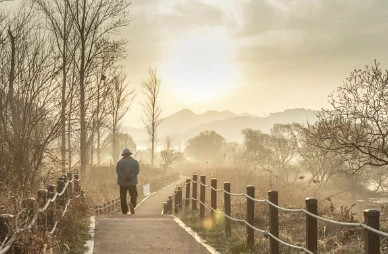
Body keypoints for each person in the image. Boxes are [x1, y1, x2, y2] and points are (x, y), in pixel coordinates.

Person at [116, 148, 139, 215]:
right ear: (129, 154)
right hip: (132, 182)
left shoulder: (119, 162)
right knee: (134, 195)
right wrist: (130, 177)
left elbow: (118, 172)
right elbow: (137, 171)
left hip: (122, 183)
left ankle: (124, 210)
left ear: (123, 155)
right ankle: (132, 204)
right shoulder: (135, 162)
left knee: (123, 197)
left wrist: (124, 178)